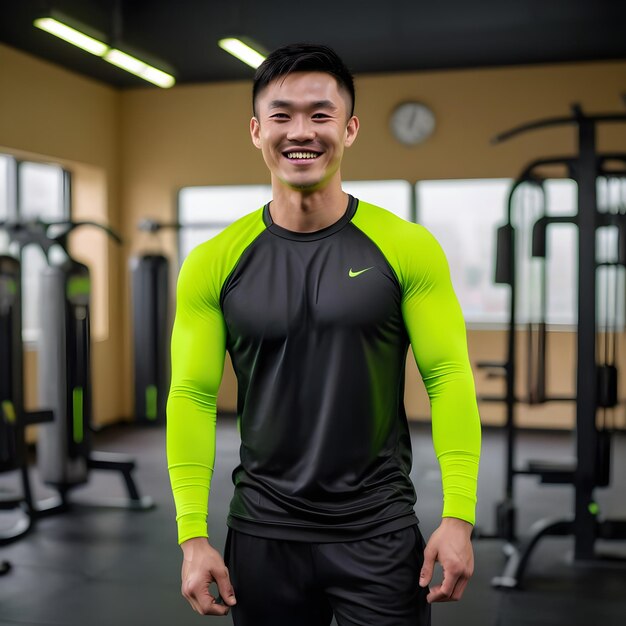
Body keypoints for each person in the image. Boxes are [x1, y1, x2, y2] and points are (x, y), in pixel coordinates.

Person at [166, 42, 481, 626]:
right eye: (282, 116)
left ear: (351, 128)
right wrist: (192, 537)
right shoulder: (214, 261)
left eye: (321, 114)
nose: (301, 132)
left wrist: (458, 515)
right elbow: (191, 395)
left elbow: (447, 376)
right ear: (256, 130)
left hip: (379, 531)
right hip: (263, 533)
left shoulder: (407, 246)